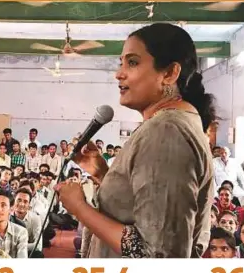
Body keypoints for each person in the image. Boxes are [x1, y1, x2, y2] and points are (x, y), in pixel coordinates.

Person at [56, 23, 215, 258]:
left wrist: (79, 208)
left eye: (132, 62)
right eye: (121, 63)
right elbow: (142, 211)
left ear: (170, 73)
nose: (119, 73)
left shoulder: (166, 131)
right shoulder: (170, 124)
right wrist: (103, 173)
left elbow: (156, 254)